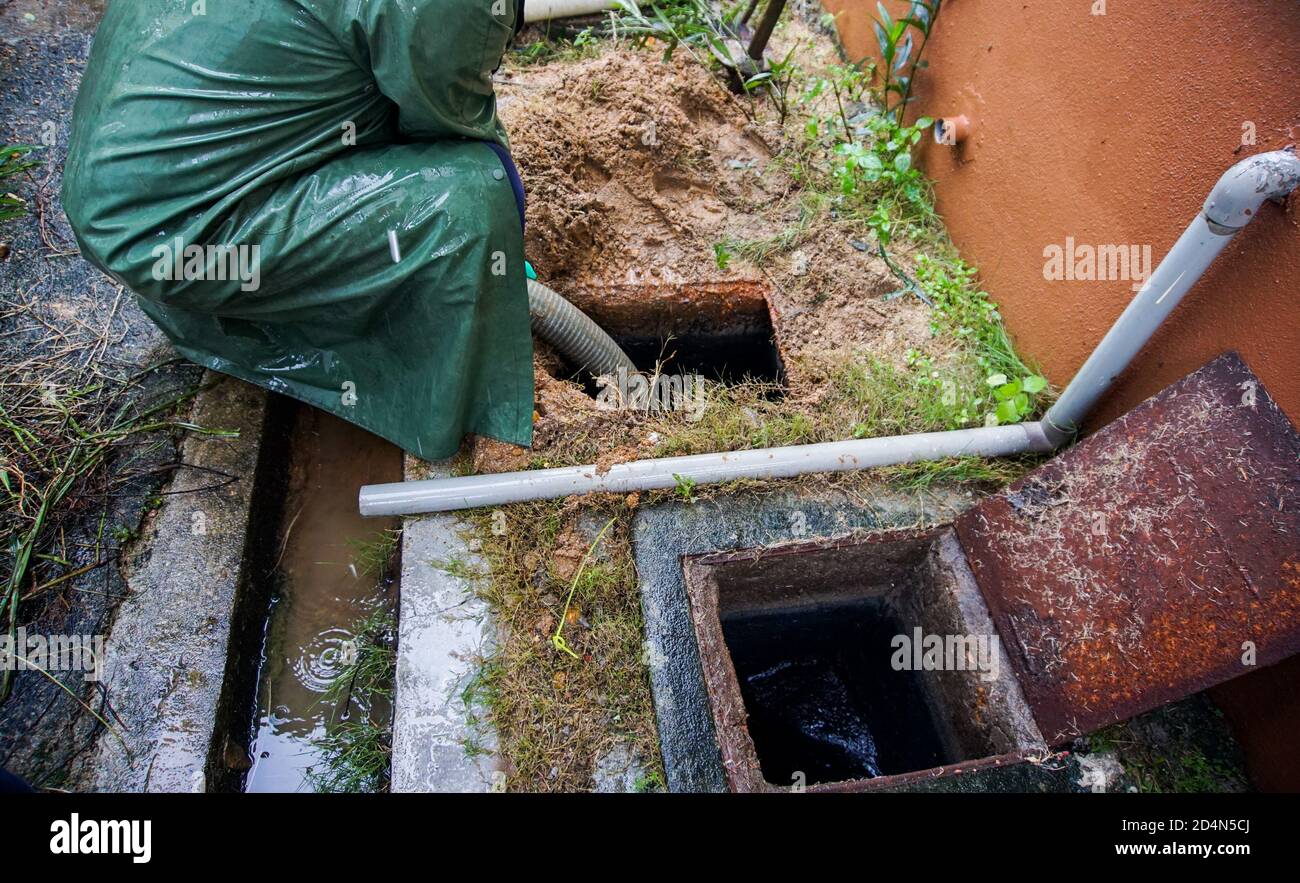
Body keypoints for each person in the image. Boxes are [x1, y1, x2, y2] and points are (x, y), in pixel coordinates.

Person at [63, 0, 534, 460]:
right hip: (181, 232)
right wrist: (503, 256)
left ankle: (278, 302)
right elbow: (451, 125)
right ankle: (439, 400)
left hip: (131, 197)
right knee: (469, 198)